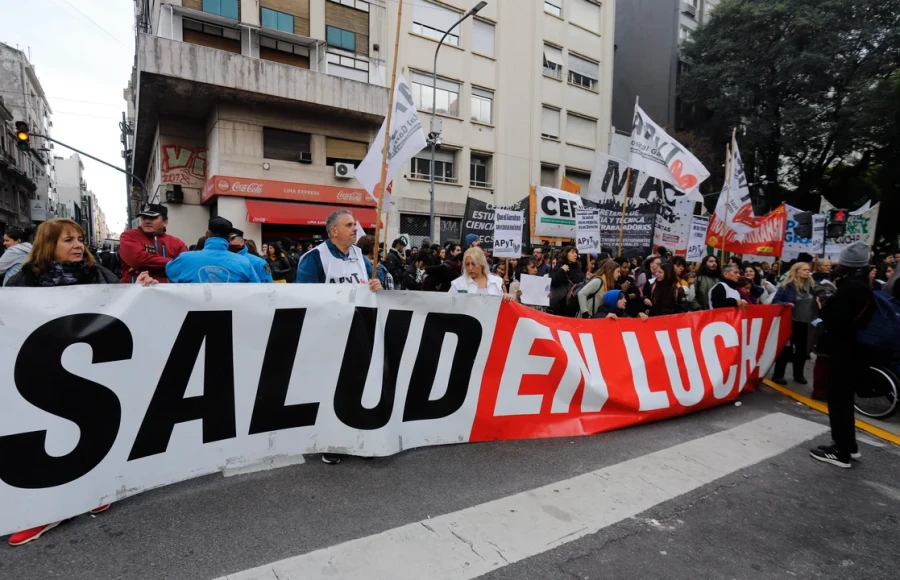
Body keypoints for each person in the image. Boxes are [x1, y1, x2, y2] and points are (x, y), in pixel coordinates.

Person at [3, 219, 154, 546]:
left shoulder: (99, 275)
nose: (77, 245)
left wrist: (139, 290)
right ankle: (43, 512)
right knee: (50, 442)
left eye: (80, 239)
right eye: (68, 239)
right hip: (42, 376)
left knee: (94, 433)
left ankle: (94, 490)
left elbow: (124, 308)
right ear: (48, 245)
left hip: (94, 374)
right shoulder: (22, 282)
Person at [810, 241, 874, 468]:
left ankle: (841, 451)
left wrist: (824, 306)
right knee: (844, 400)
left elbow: (836, 321)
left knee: (838, 400)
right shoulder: (862, 284)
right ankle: (849, 445)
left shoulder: (852, 288)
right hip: (853, 350)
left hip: (845, 351)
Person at [165, 217, 261, 283]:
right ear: (228, 238)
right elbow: (256, 287)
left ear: (206, 234)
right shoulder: (243, 262)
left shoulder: (184, 259)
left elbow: (170, 272)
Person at [772, 262, 818, 385]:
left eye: (809, 270)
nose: (807, 272)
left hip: (805, 322)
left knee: (802, 350)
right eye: (804, 270)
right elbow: (776, 301)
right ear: (796, 271)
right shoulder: (787, 286)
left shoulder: (812, 286)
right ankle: (778, 375)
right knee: (786, 349)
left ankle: (799, 374)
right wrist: (785, 304)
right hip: (790, 321)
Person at [118, 204, 188, 283]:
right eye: (144, 218)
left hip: (170, 293)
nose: (147, 221)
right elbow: (138, 260)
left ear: (165, 222)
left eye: (152, 217)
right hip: (136, 293)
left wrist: (146, 267)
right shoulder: (128, 236)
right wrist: (173, 264)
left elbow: (185, 267)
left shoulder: (177, 243)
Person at [550, 246, 585, 316]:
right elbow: (553, 280)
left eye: (576, 253)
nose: (575, 255)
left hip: (575, 301)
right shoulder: (560, 266)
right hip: (562, 303)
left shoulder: (577, 267)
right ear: (566, 254)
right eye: (572, 253)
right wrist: (562, 271)